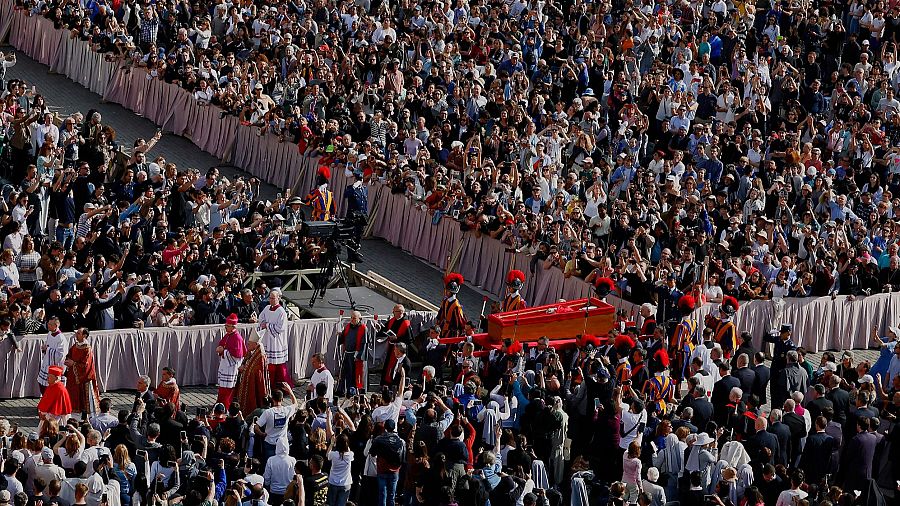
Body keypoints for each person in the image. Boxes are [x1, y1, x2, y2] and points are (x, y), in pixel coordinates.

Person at [253, 384, 298, 462]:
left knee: (269, 464)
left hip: (269, 442)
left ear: (272, 399)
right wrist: (290, 391)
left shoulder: (268, 412)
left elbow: (256, 427)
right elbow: (296, 404)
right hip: (283, 443)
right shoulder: (287, 410)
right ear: (283, 399)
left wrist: (262, 434)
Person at [258, 289, 291, 391]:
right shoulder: (267, 308)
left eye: (273, 298)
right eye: (270, 298)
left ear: (278, 298)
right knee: (269, 365)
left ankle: (281, 387)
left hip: (276, 342)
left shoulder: (281, 312)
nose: (271, 300)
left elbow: (280, 328)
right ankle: (269, 385)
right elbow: (261, 318)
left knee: (278, 366)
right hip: (267, 339)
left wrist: (267, 325)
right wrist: (263, 323)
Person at [63, 327, 99, 417]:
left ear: (84, 336)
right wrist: (68, 360)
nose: (76, 335)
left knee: (84, 399)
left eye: (78, 333)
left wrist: (73, 364)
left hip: (83, 378)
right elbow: (69, 354)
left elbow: (86, 365)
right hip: (73, 377)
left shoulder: (87, 349)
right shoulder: (75, 345)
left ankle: (85, 417)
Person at [217, 313, 248, 407]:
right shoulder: (228, 335)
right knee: (222, 387)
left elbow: (237, 355)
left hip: (231, 367)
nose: (225, 327)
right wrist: (220, 348)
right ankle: (220, 404)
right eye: (225, 325)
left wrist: (223, 351)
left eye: (227, 326)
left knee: (227, 389)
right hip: (225, 365)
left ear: (233, 326)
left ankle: (225, 405)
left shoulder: (237, 338)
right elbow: (222, 344)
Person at [236, 331, 270, 415]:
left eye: (249, 344)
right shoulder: (252, 351)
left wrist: (244, 369)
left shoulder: (260, 355)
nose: (247, 346)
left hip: (255, 383)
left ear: (255, 344)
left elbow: (257, 371)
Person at [379, 304, 411, 387]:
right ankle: (385, 383)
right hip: (391, 348)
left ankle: (394, 384)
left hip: (400, 350)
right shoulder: (392, 320)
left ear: (401, 312)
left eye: (395, 311)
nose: (393, 313)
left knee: (397, 368)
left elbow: (409, 339)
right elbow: (384, 330)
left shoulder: (406, 323)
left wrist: (397, 338)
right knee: (388, 366)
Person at [338, 310, 368, 397]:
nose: (352, 320)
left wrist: (358, 356)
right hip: (347, 354)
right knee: (346, 373)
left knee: (356, 374)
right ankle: (345, 389)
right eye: (351, 318)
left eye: (354, 318)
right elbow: (344, 337)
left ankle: (355, 391)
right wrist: (340, 335)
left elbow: (364, 344)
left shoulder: (363, 328)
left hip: (356, 356)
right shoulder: (348, 326)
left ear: (360, 318)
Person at [37, 316, 68, 393]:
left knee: (52, 389)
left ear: (56, 326)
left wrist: (47, 349)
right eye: (48, 323)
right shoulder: (50, 333)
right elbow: (48, 345)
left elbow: (60, 355)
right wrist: (45, 349)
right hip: (47, 364)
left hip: (55, 367)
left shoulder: (61, 338)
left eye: (50, 324)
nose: (48, 325)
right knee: (42, 385)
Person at [437, 273, 467, 339]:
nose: (446, 292)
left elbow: (460, 322)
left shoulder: (456, 306)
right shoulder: (445, 301)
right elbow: (441, 313)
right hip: (443, 327)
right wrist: (438, 324)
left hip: (451, 332)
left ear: (452, 292)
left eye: (448, 291)